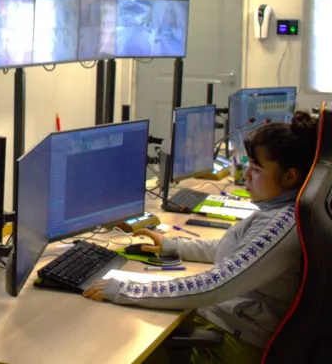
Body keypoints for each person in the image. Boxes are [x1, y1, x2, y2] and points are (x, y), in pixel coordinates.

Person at [82, 111, 319, 364]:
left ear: (290, 176)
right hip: (226, 322)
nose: (246, 175)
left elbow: (217, 285)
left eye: (256, 169)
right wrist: (173, 245)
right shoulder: (281, 210)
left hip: (229, 342)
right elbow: (239, 252)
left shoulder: (281, 224)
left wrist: (128, 289)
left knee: (117, 341)